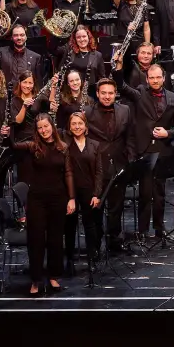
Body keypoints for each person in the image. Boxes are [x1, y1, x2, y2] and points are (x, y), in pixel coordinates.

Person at [8, 112, 74, 296]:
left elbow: (68, 173)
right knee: (35, 240)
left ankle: (54, 275)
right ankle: (35, 279)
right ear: (37, 131)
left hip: (58, 198)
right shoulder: (33, 146)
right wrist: (8, 132)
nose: (44, 130)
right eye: (40, 128)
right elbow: (12, 146)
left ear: (52, 126)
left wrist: (71, 198)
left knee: (55, 239)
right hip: (37, 199)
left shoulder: (63, 147)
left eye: (46, 126)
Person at [118, 62, 174, 240]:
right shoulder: (139, 94)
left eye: (158, 77)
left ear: (163, 78)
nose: (155, 80)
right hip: (145, 151)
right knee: (145, 194)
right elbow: (122, 87)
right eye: (152, 77)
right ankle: (143, 230)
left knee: (160, 194)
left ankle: (159, 228)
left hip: (163, 151)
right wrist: (118, 68)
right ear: (147, 79)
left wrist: (167, 133)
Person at [85, 78, 135, 251]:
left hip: (118, 167)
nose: (107, 96)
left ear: (116, 94)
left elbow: (130, 136)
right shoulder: (86, 112)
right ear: (97, 94)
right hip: (96, 168)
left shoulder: (125, 110)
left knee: (116, 207)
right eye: (103, 93)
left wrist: (129, 159)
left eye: (110, 93)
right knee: (96, 209)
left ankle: (114, 241)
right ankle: (96, 244)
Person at [63, 111, 106, 270]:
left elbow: (99, 172)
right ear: (69, 126)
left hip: (89, 190)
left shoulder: (95, 145)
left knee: (90, 225)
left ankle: (91, 257)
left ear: (86, 126)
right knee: (70, 225)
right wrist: (70, 196)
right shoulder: (65, 145)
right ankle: (69, 259)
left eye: (80, 123)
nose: (77, 127)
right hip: (70, 191)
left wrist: (96, 194)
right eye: (73, 124)